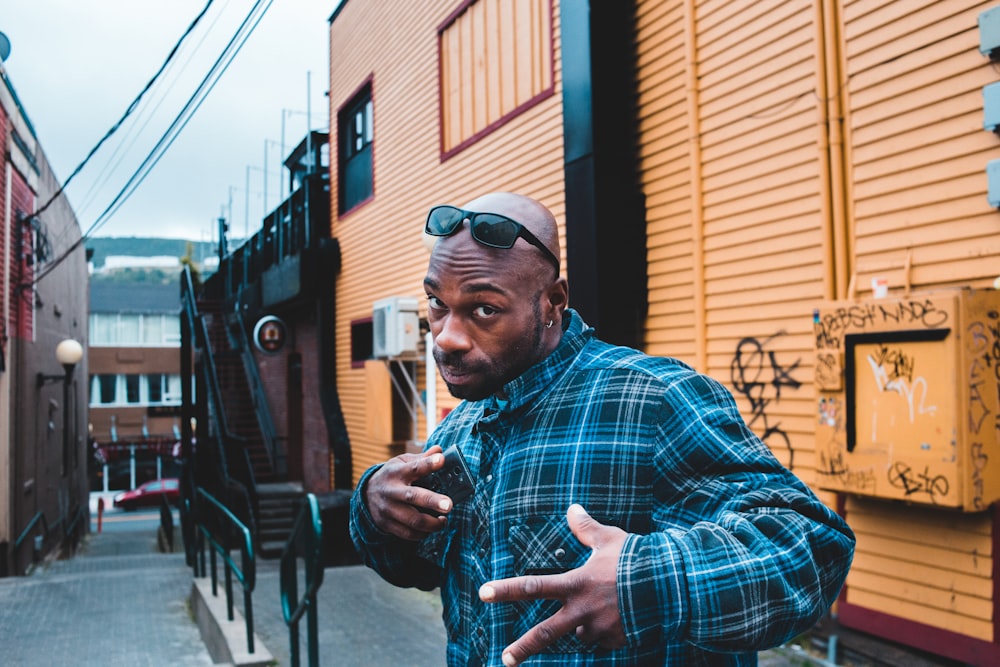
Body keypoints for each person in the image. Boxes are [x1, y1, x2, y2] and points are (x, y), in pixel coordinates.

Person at [350, 192, 855, 666]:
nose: (448, 337)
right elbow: (416, 570)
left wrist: (650, 584)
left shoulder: (655, 398)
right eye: (437, 303)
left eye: (485, 308)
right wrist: (374, 509)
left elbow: (812, 546)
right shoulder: (458, 429)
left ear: (552, 301)